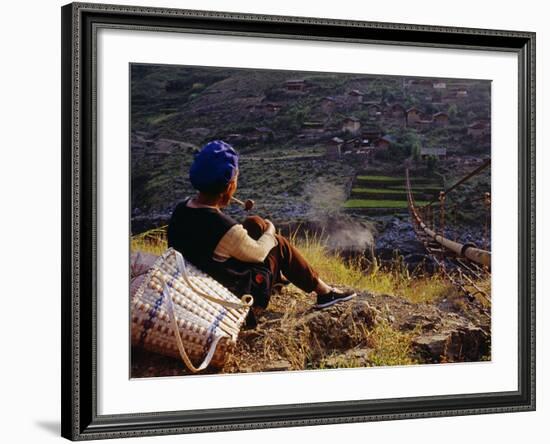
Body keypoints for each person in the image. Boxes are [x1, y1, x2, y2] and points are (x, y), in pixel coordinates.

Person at [167, 140, 356, 317]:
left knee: (253, 222)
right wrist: (270, 230)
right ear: (229, 185)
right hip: (235, 299)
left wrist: (260, 227)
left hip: (202, 284)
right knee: (278, 244)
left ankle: (279, 279)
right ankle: (325, 293)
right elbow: (258, 253)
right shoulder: (223, 228)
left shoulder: (181, 208)